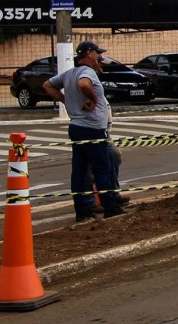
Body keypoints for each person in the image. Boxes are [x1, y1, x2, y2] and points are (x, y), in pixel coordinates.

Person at [43, 41, 126, 222]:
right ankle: (110, 207)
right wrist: (93, 98)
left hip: (76, 127)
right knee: (102, 169)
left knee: (79, 171)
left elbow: (48, 85)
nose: (100, 57)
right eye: (97, 54)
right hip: (93, 129)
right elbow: (84, 85)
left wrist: (65, 100)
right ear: (89, 53)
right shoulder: (86, 73)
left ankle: (82, 210)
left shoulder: (69, 73)